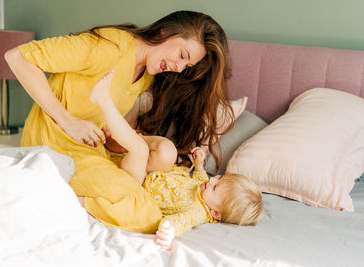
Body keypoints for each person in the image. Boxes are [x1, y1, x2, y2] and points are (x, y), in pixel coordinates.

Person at [4, 10, 234, 233]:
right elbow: (17, 57)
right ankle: (59, 197)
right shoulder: (108, 47)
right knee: (146, 213)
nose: (179, 67)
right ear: (166, 32)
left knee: (166, 152)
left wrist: (116, 140)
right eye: (183, 56)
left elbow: (101, 121)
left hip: (92, 149)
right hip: (58, 145)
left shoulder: (145, 73)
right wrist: (67, 121)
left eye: (187, 66)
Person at [90, 71, 263, 250]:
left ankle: (115, 123)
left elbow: (182, 221)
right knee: (167, 150)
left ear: (215, 213)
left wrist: (169, 230)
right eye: (218, 178)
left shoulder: (198, 211)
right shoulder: (205, 188)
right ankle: (120, 143)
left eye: (215, 186)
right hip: (152, 173)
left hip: (138, 188)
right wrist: (199, 164)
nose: (212, 180)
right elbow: (201, 178)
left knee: (140, 153)